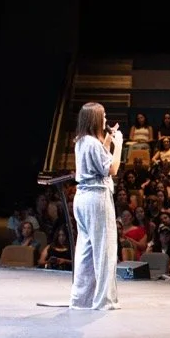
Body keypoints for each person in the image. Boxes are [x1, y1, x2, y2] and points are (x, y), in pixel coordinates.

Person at [70, 102, 122, 310]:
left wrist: (108, 140)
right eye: (104, 116)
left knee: (86, 250)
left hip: (82, 198)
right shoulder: (91, 143)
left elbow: (100, 156)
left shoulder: (81, 142)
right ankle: (104, 301)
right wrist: (118, 145)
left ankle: (81, 300)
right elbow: (112, 169)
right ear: (95, 119)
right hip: (96, 198)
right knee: (104, 249)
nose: (106, 119)